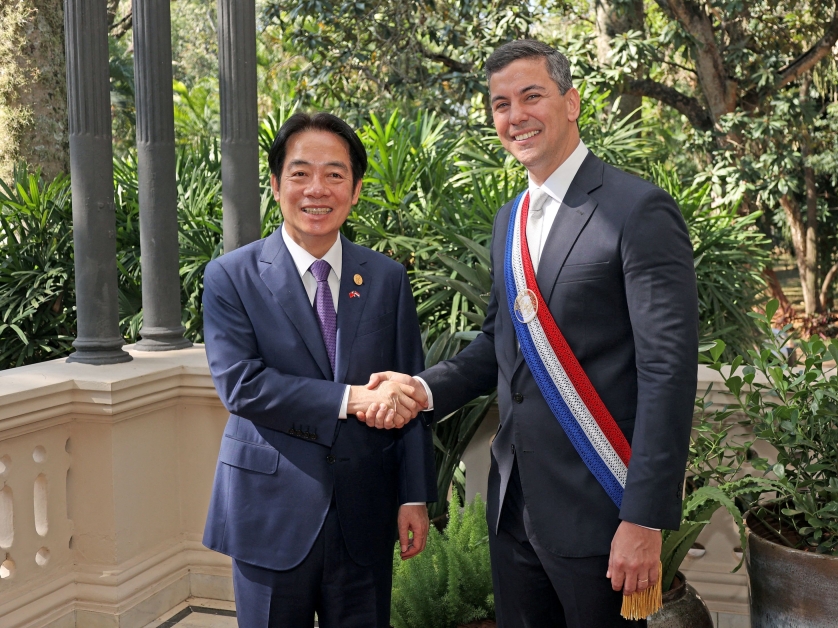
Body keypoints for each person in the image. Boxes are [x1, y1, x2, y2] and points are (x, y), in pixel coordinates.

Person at [364, 40, 699, 628]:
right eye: (500, 104)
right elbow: (499, 345)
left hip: (602, 508)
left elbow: (667, 373)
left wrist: (645, 519)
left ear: (570, 103)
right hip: (514, 506)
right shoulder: (509, 219)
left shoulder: (638, 209)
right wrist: (422, 387)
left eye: (531, 96)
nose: (515, 115)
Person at [201, 112, 436, 628]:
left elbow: (411, 389)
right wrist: (349, 399)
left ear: (354, 189)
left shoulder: (387, 278)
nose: (317, 189)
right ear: (276, 184)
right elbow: (242, 386)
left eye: (335, 174)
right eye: (300, 173)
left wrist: (414, 495)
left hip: (365, 514)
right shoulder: (231, 277)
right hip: (269, 513)